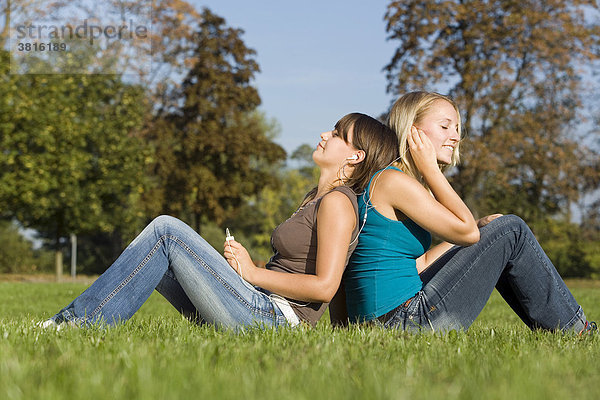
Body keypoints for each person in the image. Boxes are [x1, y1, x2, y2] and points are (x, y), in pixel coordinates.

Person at [41, 113, 399, 330]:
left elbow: (325, 287)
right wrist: (246, 267)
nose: (325, 134)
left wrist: (251, 273)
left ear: (355, 156)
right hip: (257, 303)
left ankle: (75, 325)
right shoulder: (316, 199)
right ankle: (86, 323)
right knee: (159, 258)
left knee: (167, 230)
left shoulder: (339, 203)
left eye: (337, 133)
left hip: (272, 321)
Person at [342, 91, 596, 334]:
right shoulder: (393, 181)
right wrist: (432, 171)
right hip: (405, 321)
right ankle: (578, 330)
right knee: (512, 230)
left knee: (499, 232)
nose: (455, 136)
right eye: (445, 126)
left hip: (390, 321)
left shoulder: (393, 181)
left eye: (456, 128)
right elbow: (467, 235)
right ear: (412, 131)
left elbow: (422, 264)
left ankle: (556, 331)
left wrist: (481, 227)